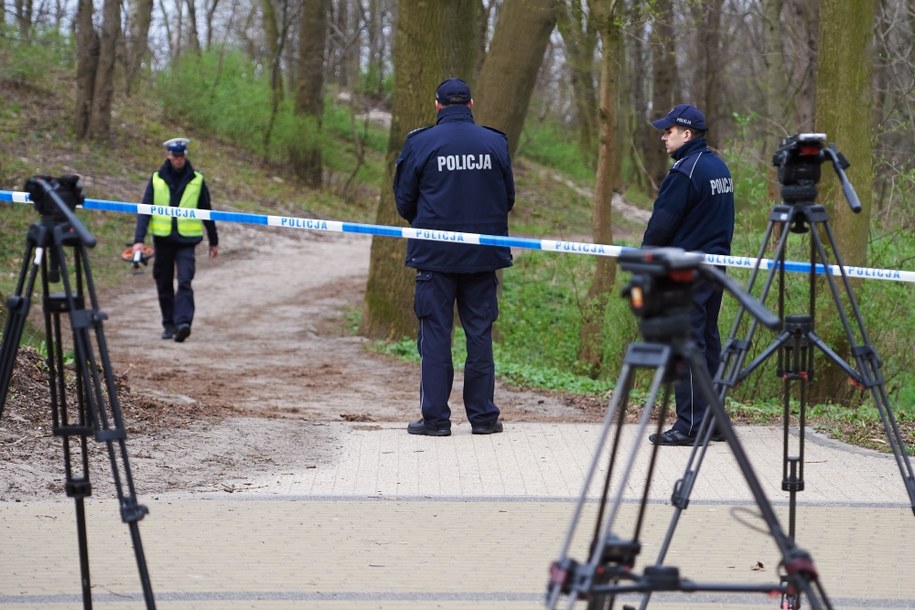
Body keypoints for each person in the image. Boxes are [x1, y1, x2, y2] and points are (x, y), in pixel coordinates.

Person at [393, 77, 515, 437]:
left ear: (437, 105)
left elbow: (404, 202)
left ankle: (435, 420)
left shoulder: (421, 143)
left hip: (434, 257)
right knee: (479, 335)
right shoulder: (495, 142)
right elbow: (507, 198)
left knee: (435, 336)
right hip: (483, 256)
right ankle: (483, 418)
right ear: (471, 104)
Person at [642, 104, 735, 446]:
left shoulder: (685, 171)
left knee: (687, 341)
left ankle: (691, 424)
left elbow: (661, 224)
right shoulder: (718, 166)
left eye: (669, 131)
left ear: (687, 134)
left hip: (686, 268)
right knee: (708, 339)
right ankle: (714, 420)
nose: (664, 137)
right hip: (715, 265)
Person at [132, 138, 218, 343]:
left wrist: (213, 240)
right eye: (175, 156)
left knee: (185, 280)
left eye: (181, 156)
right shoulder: (156, 179)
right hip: (163, 241)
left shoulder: (197, 180)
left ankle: (183, 324)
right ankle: (168, 324)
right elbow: (144, 212)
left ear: (185, 156)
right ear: (168, 156)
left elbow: (207, 211)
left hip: (187, 241)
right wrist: (138, 240)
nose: (178, 160)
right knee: (163, 281)